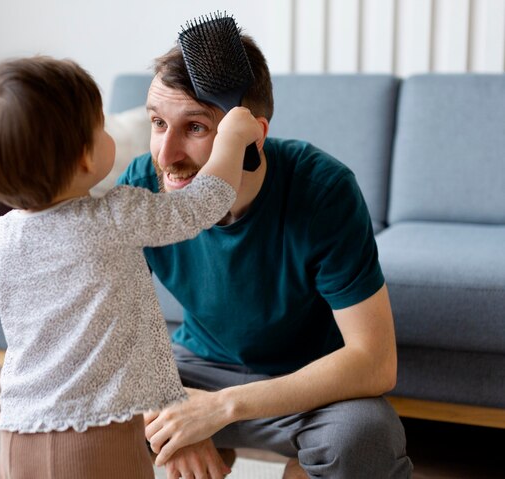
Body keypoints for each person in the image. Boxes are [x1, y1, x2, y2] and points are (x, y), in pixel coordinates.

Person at [117, 34, 414, 479]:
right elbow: (106, 328)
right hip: (197, 367)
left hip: (306, 382)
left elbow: (374, 361)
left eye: (195, 128)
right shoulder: (144, 184)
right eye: (158, 123)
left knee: (362, 440)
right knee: (100, 412)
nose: (167, 155)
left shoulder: (322, 190)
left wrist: (219, 409)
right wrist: (168, 411)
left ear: (253, 137)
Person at [0, 55, 262, 478]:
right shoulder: (116, 216)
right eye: (101, 127)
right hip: (96, 434)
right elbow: (201, 205)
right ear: (84, 158)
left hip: (18, 433)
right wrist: (231, 139)